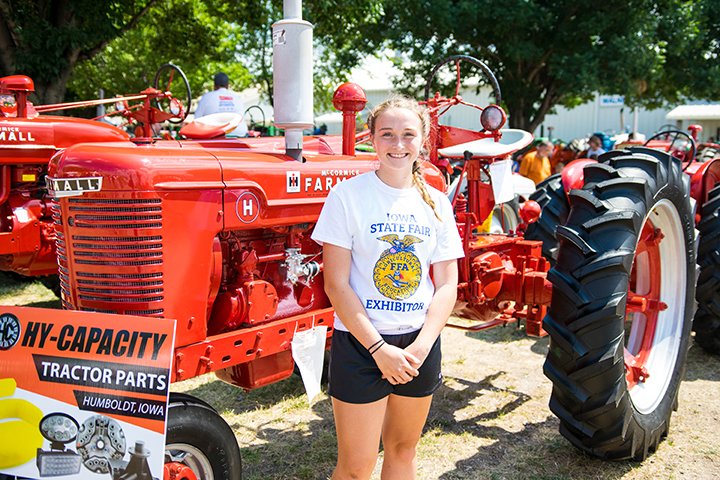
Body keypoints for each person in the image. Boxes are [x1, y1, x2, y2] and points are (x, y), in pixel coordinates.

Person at [311, 96, 464, 480]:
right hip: (362, 345)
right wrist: (378, 350)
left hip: (418, 346)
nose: (398, 144)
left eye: (408, 135)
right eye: (387, 135)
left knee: (403, 450)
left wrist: (423, 345)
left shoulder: (438, 205)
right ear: (373, 140)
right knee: (356, 466)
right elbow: (336, 283)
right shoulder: (347, 197)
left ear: (423, 140)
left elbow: (447, 284)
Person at [193, 72, 248, 137]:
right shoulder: (238, 99)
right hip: (239, 136)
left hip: (214, 137)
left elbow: (197, 120)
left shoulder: (206, 97)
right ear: (228, 85)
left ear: (214, 85)